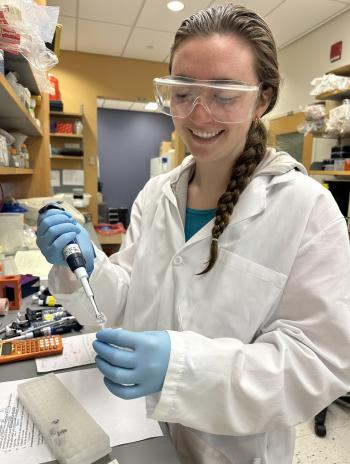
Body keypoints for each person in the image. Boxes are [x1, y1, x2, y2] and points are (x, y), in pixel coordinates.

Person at [36, 4, 350, 464]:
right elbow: (123, 303)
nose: (198, 114)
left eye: (224, 93)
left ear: (262, 99)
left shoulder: (306, 208)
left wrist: (182, 369)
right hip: (139, 430)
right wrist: (81, 265)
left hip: (234, 449)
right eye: (183, 91)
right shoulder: (155, 194)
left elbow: (317, 363)